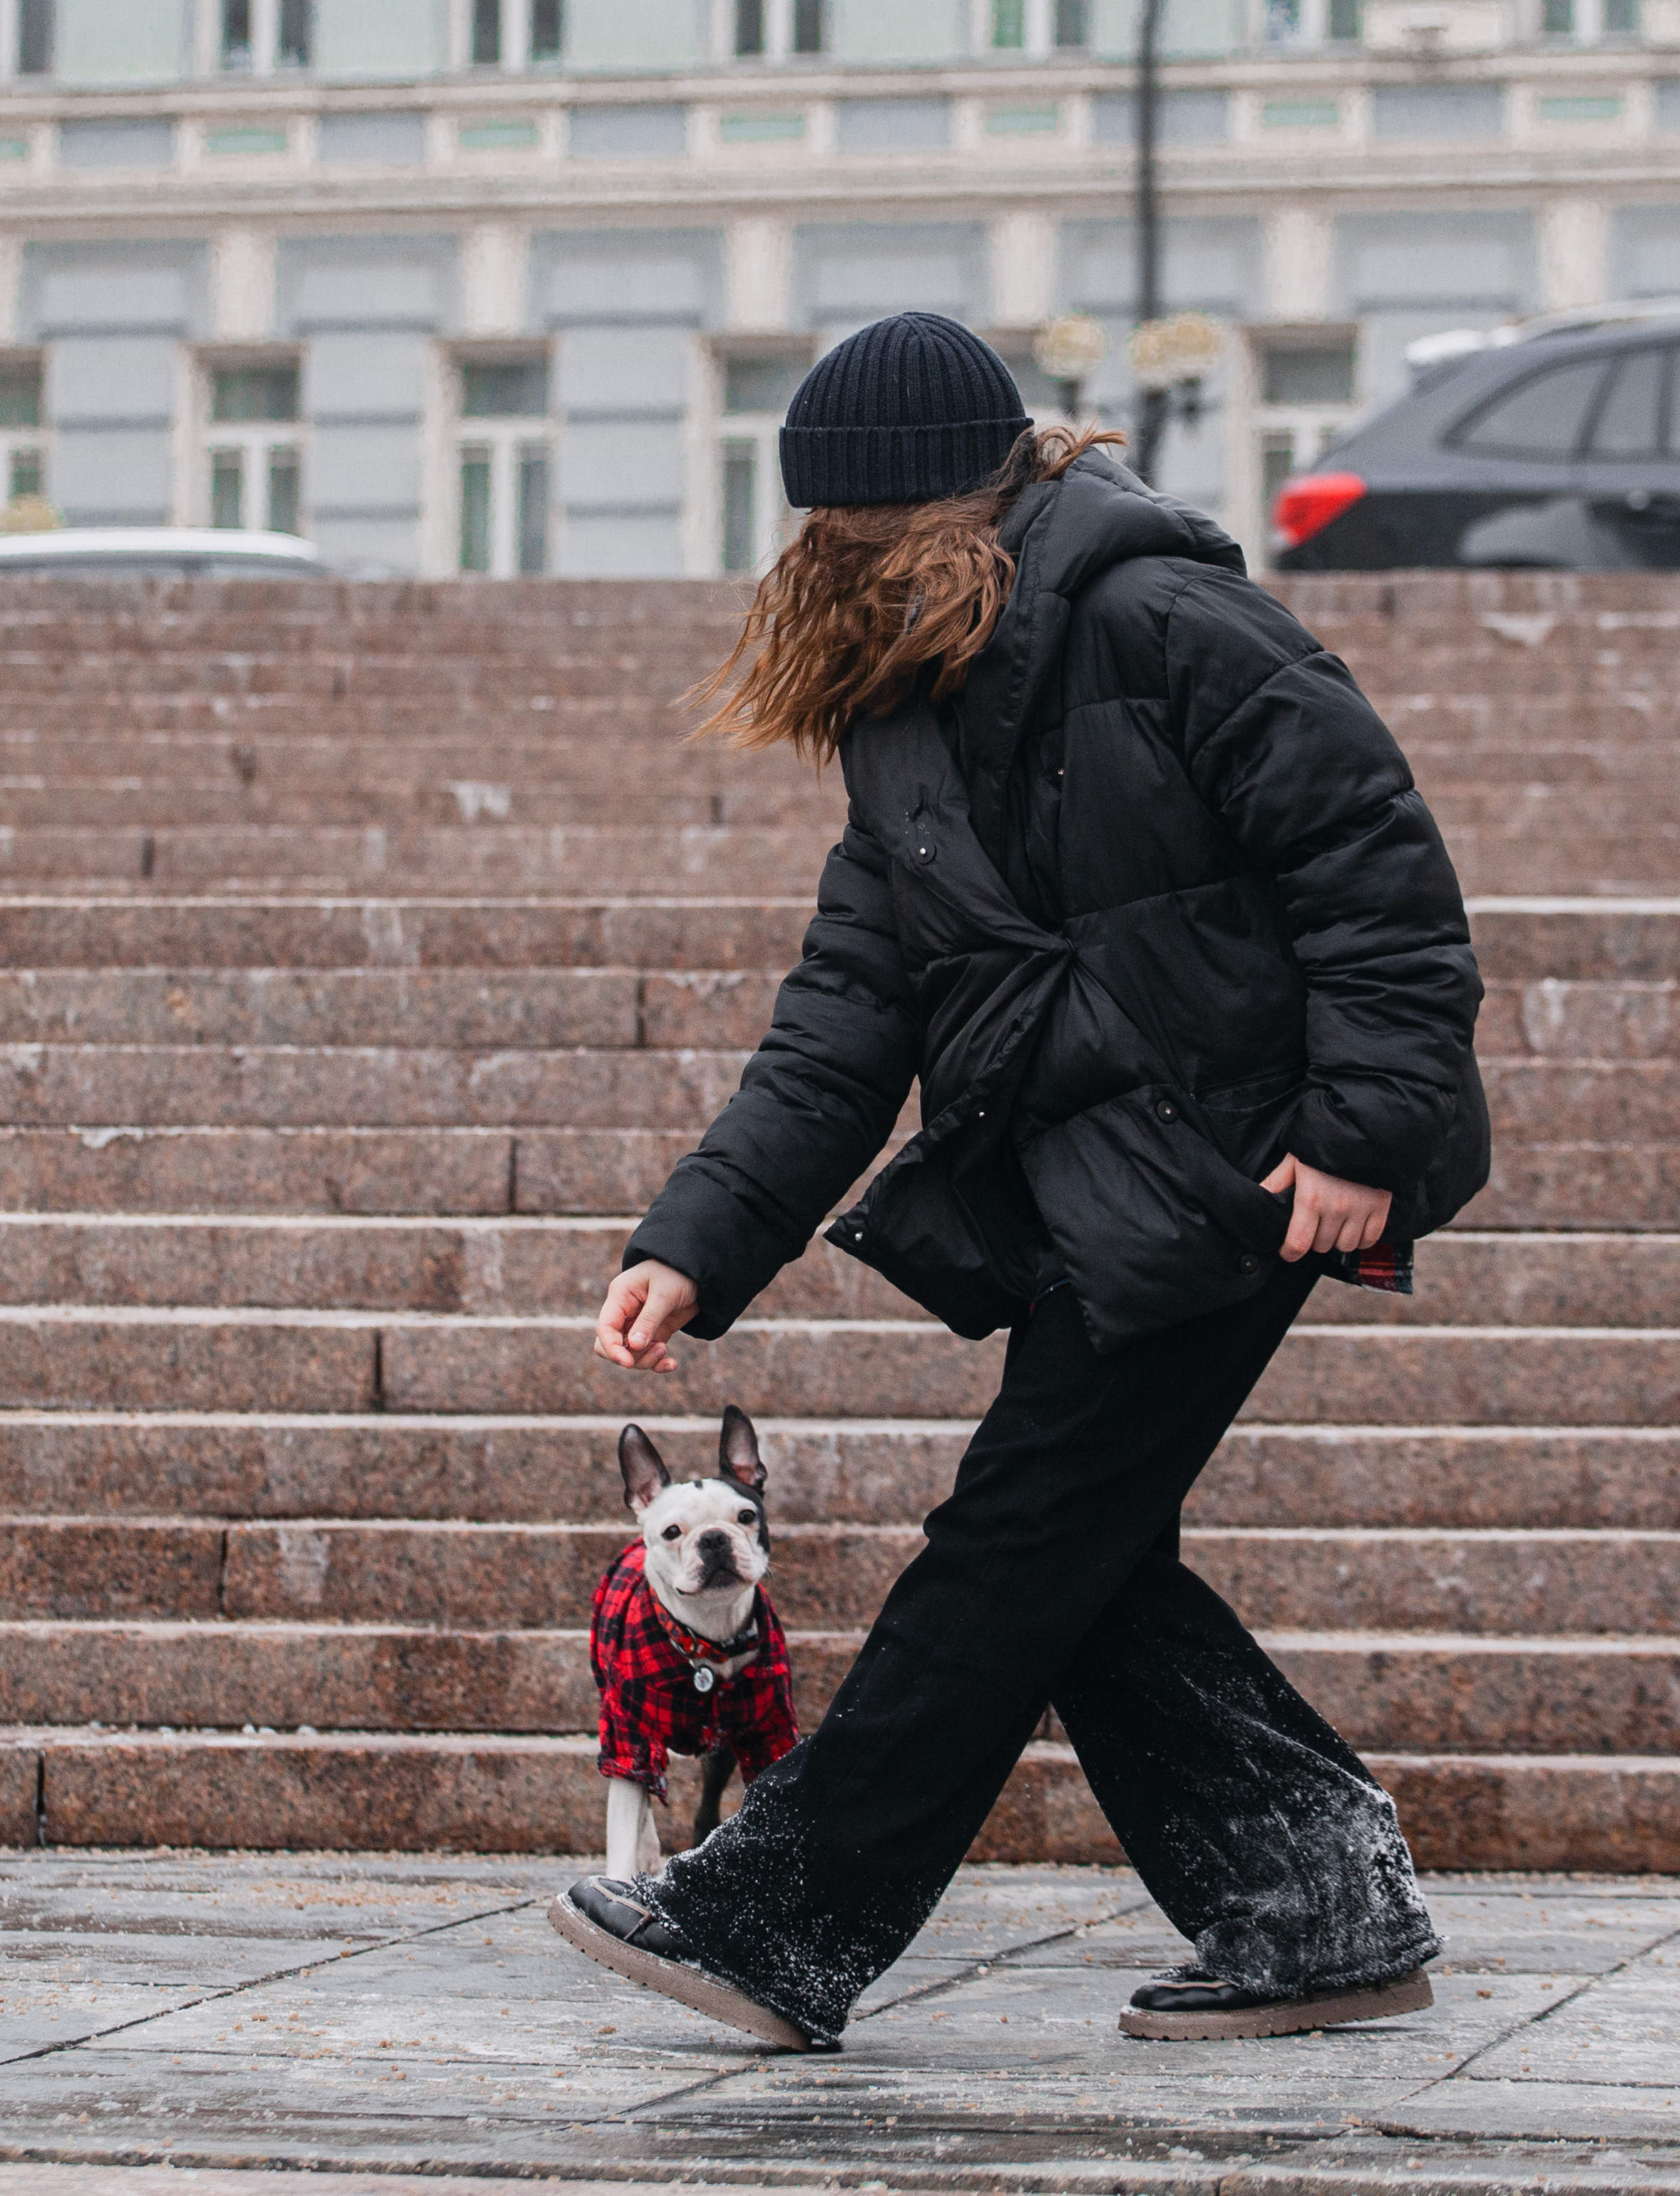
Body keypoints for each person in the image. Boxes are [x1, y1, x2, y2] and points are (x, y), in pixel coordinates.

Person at [552, 312, 1489, 2054]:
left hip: (1253, 1158)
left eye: (868, 528)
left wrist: (1362, 1132)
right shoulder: (901, 691)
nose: (838, 559)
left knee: (1018, 1539)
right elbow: (852, 1000)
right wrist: (699, 1238)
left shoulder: (1159, 614)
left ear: (967, 490)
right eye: (823, 534)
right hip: (1098, 1164)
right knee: (1080, 1552)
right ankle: (1319, 1904)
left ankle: (784, 1913)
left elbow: (1378, 869)